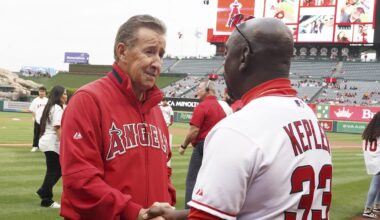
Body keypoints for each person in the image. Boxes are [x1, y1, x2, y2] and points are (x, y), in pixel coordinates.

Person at [145, 17, 332, 220]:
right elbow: (263, 208)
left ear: (243, 56)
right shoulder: (307, 114)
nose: (224, 63)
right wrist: (174, 216)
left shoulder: (238, 129)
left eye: (226, 53)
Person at [59, 15, 176, 220]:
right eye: (149, 52)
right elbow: (80, 180)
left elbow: (164, 169)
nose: (157, 62)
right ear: (122, 52)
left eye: (161, 54)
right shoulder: (88, 100)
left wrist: (167, 199)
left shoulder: (156, 110)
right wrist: (135, 213)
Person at [179, 80, 226, 209]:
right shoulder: (220, 107)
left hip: (202, 146)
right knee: (210, 181)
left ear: (207, 90)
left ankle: (188, 212)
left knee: (192, 180)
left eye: (199, 88)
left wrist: (183, 146)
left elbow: (194, 131)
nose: (197, 92)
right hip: (216, 147)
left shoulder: (202, 106)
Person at [36, 85, 67, 208]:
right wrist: (64, 144)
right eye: (64, 94)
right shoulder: (57, 108)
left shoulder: (51, 106)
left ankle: (44, 191)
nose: (66, 96)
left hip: (47, 141)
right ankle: (46, 199)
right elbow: (57, 127)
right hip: (52, 142)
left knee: (56, 170)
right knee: (55, 170)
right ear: (58, 96)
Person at [362, 111, 380, 218]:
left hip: (371, 160)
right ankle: (368, 209)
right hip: (378, 161)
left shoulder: (368, 133)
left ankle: (377, 205)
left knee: (378, 184)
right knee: (375, 185)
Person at [29, 86, 48, 152]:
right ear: (38, 92)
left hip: (45, 121)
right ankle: (35, 146)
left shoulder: (47, 100)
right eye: (40, 91)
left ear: (45, 92)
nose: (41, 93)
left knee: (45, 134)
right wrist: (34, 117)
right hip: (37, 120)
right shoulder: (35, 100)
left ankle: (43, 146)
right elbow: (32, 110)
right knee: (36, 134)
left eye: (43, 91)